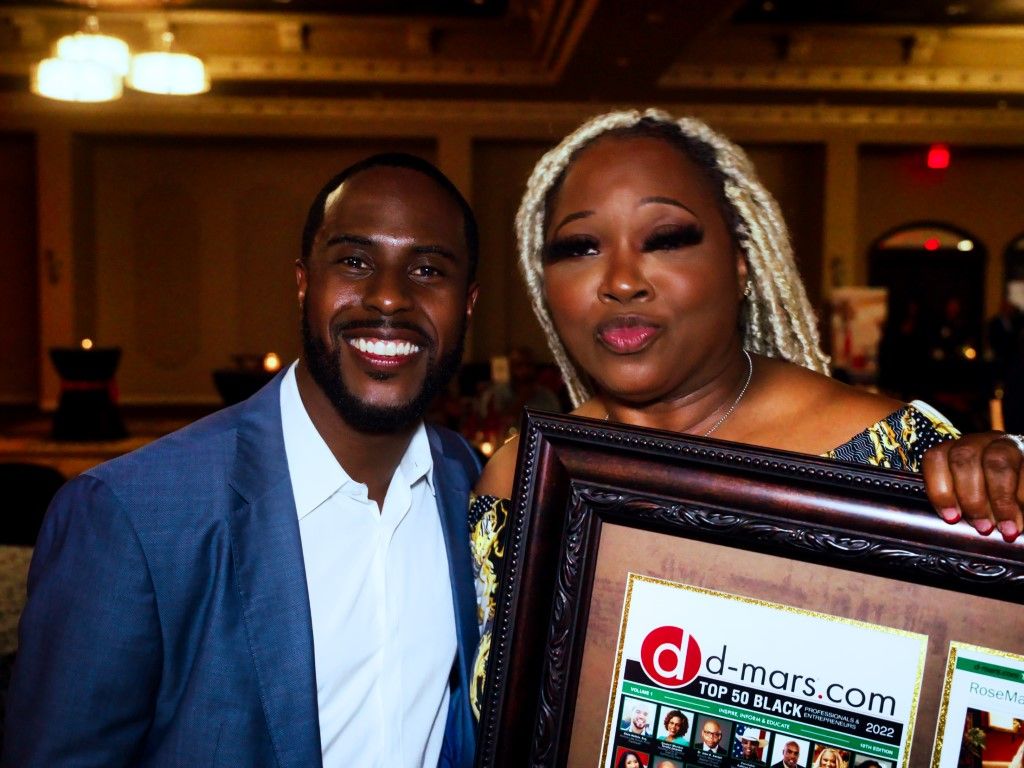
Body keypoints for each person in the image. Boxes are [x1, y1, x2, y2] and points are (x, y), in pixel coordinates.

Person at [468, 107, 1024, 714]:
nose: (621, 281)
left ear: (740, 263)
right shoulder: (525, 476)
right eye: (579, 247)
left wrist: (1005, 479)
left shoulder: (892, 454)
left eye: (666, 239)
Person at [5, 153, 483, 767]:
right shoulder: (129, 518)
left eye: (427, 269)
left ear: (467, 305)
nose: (389, 297)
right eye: (355, 262)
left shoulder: (469, 485)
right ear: (304, 281)